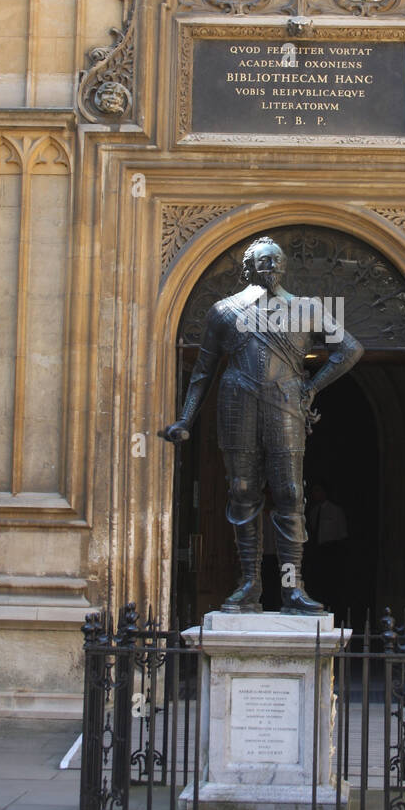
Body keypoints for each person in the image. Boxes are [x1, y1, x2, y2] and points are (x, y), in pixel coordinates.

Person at [160, 236, 363, 615]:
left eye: (278, 261)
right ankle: (249, 583)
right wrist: (185, 419)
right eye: (265, 262)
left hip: (285, 402)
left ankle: (293, 587)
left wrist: (311, 387)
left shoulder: (307, 309)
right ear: (248, 268)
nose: (273, 268)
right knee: (241, 491)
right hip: (237, 401)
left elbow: (350, 349)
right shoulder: (224, 311)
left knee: (288, 492)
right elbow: (203, 371)